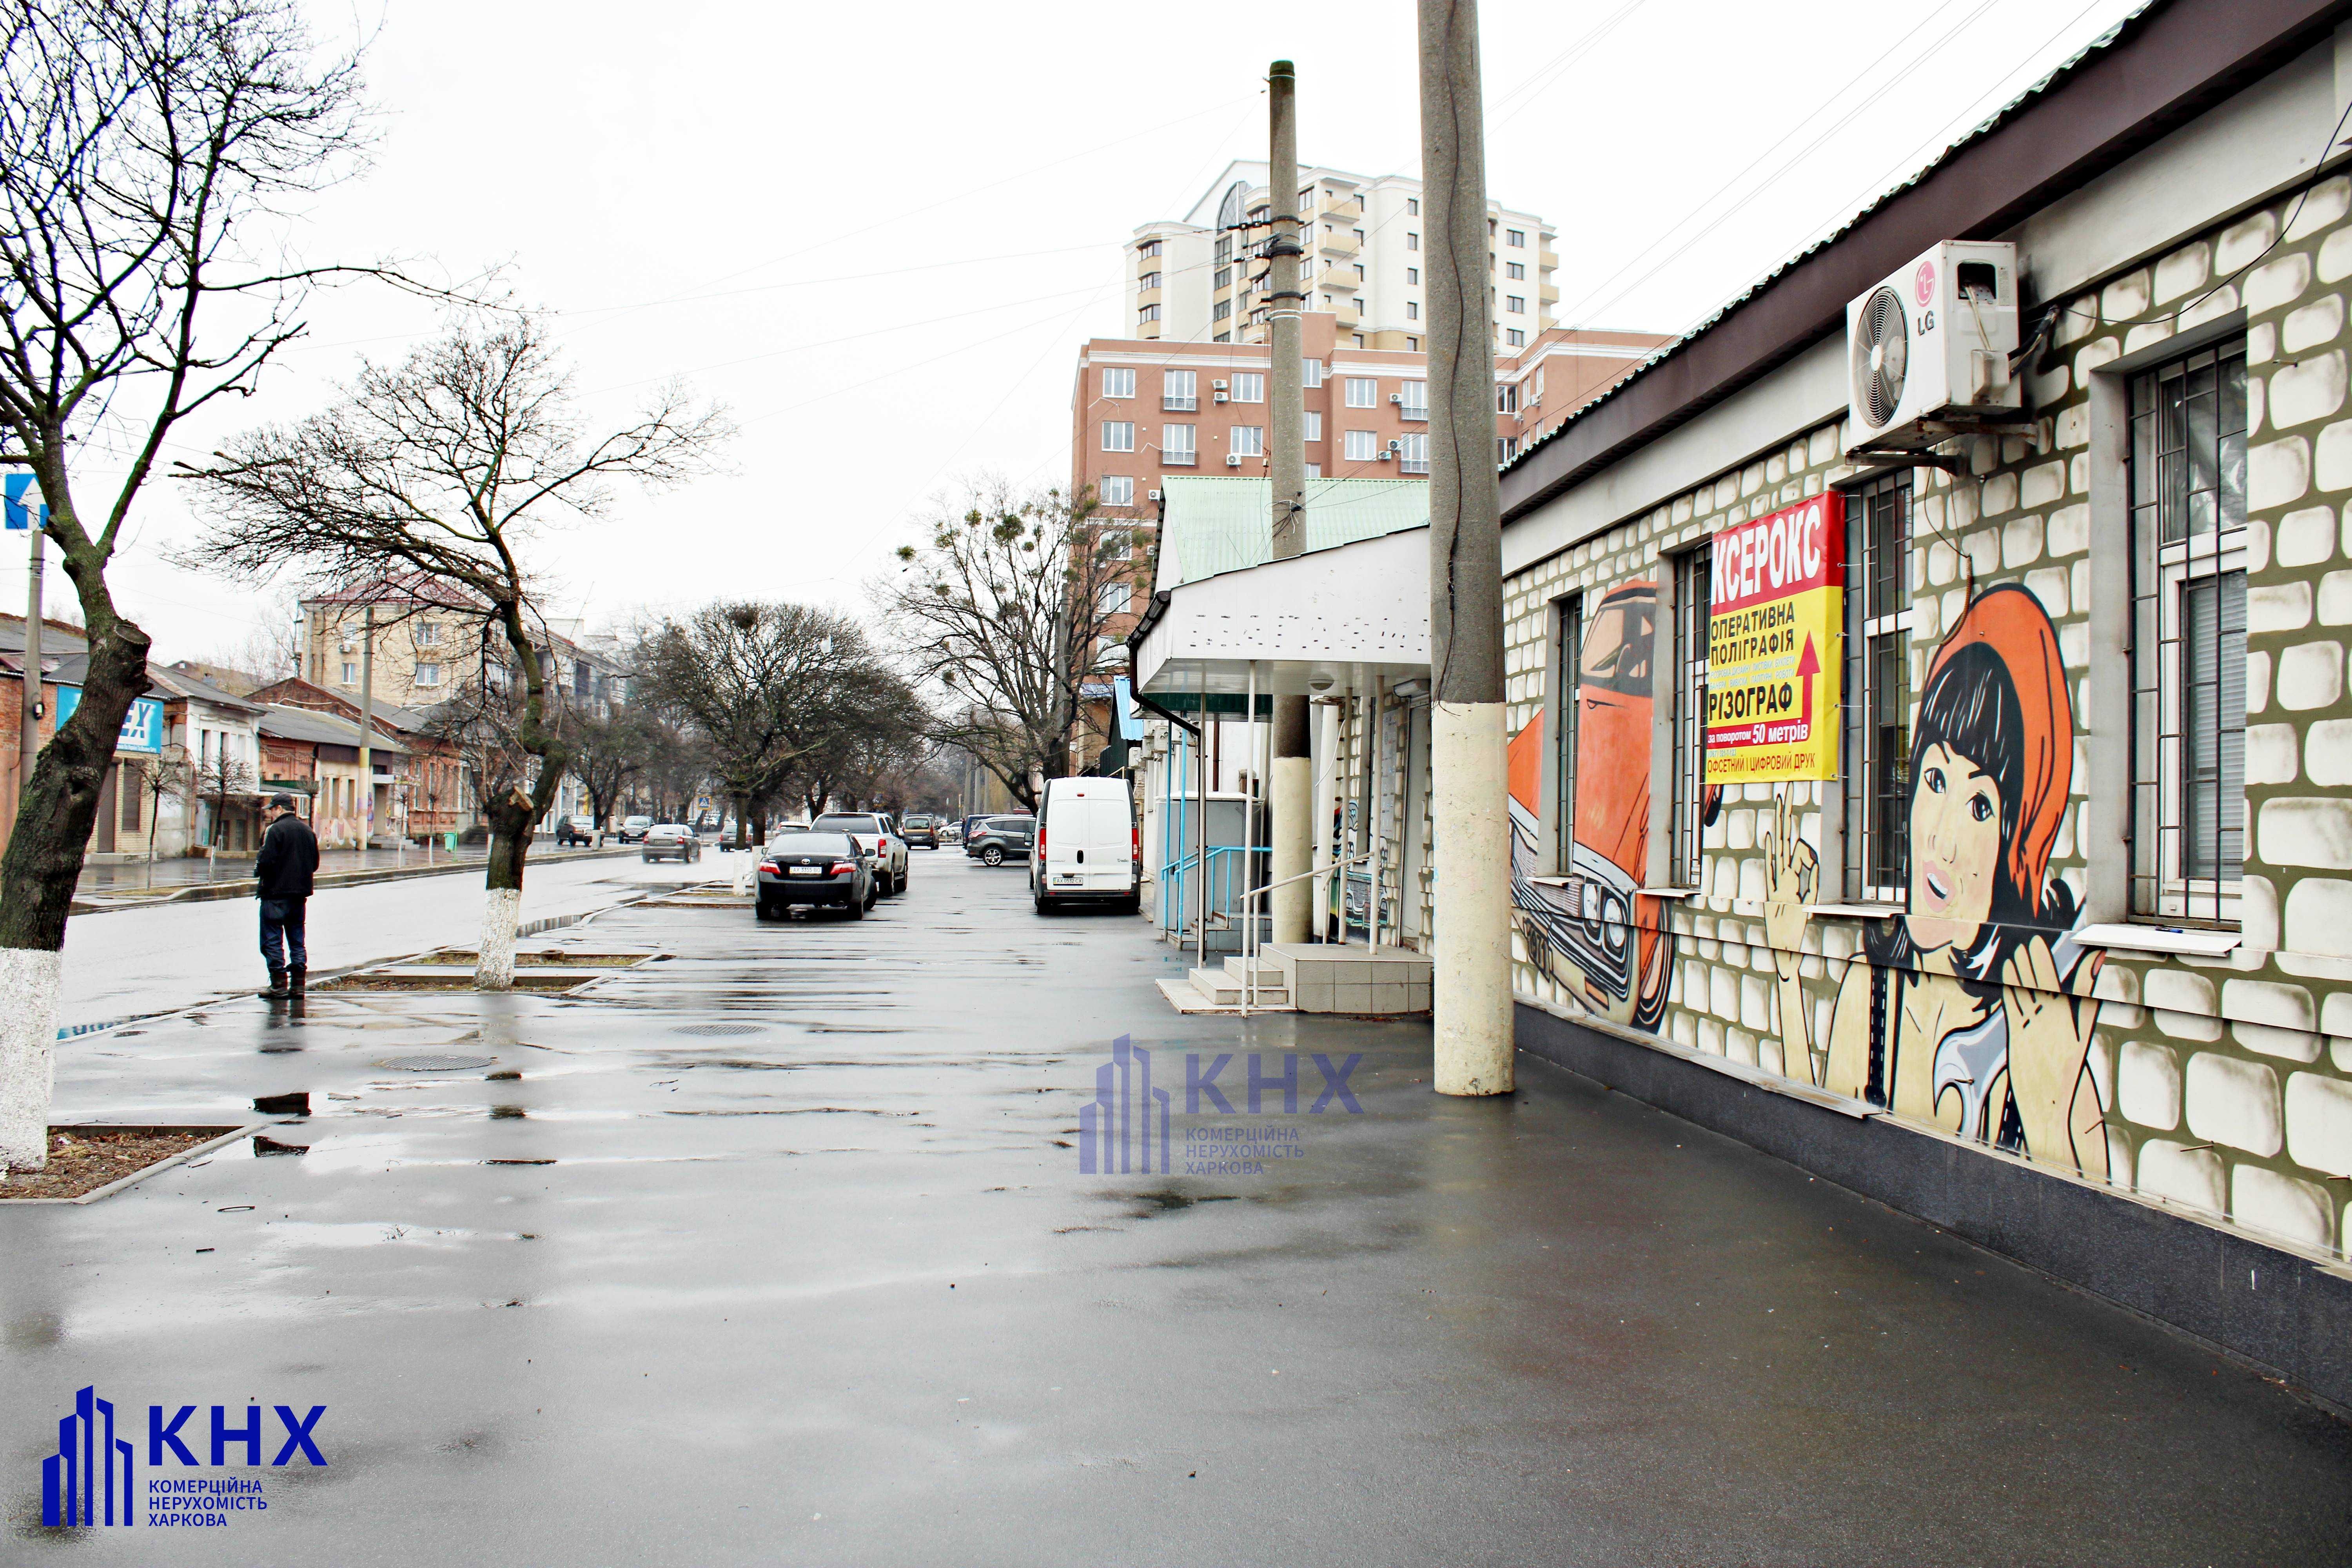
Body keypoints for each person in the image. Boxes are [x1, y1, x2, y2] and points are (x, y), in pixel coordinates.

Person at [1763, 584, 2108, 1178]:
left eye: (1981, 807)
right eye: (1935, 780)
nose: (1942, 840)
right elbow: (1815, 1133)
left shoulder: (2045, 1036)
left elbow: (2103, 1238)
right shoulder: (1874, 992)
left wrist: (2049, 1116)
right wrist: (1789, 970)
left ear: (2015, 847)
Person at [256, 791, 320, 1000]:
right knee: (297, 939)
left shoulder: (274, 830)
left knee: (272, 939)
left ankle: (278, 984)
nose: (270, 815)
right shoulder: (308, 831)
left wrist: (261, 872)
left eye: (272, 810)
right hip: (299, 896)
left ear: (280, 809)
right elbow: (315, 864)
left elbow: (265, 862)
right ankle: (299, 985)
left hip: (275, 894)